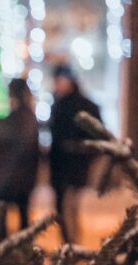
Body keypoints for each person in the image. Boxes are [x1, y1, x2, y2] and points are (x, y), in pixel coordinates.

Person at [49, 64, 100, 243]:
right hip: (62, 165)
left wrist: (80, 150)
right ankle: (69, 241)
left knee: (69, 204)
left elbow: (97, 134)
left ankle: (71, 242)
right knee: (65, 205)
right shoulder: (58, 104)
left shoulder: (80, 106)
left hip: (73, 165)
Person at [0, 78, 40, 238]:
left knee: (7, 216)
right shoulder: (25, 117)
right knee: (19, 215)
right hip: (18, 176)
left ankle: (10, 246)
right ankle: (15, 245)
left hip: (11, 177)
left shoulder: (23, 118)